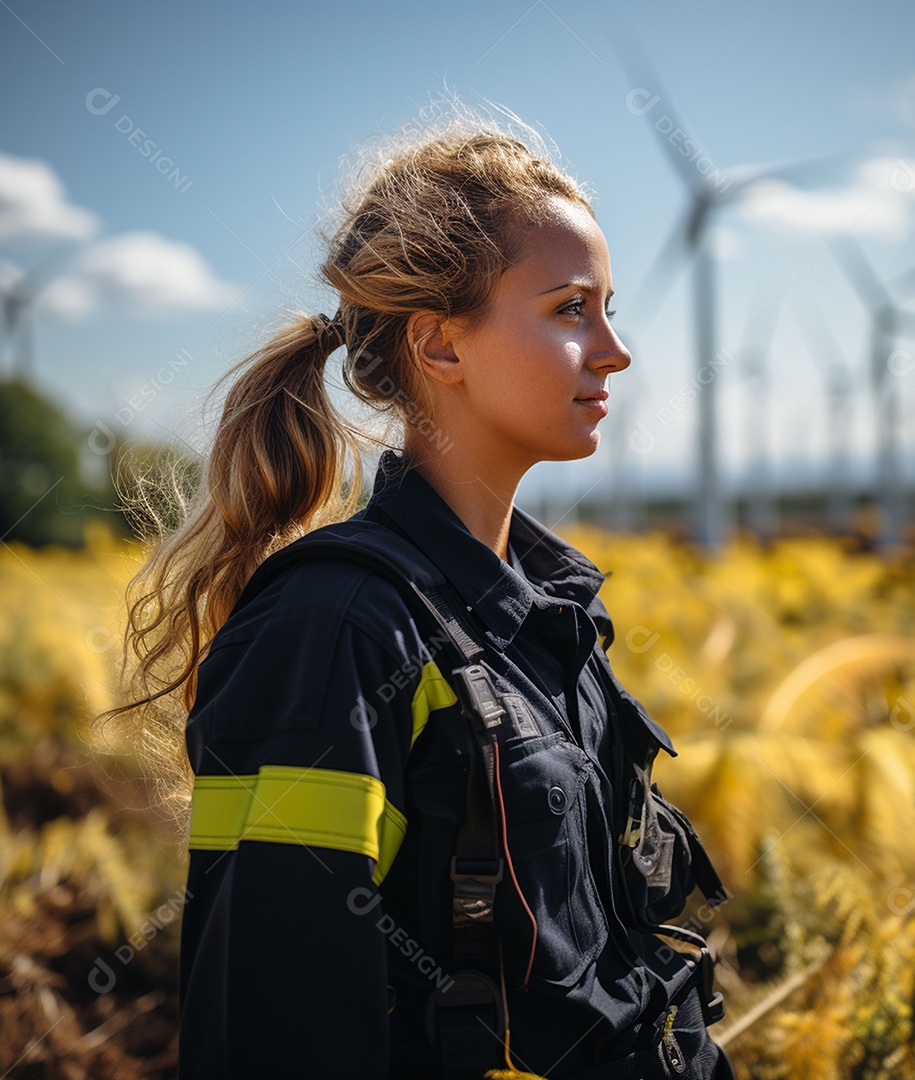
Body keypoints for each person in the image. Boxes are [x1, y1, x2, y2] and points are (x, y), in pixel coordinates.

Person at [105, 105, 736, 1079]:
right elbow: (275, 1037)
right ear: (440, 347)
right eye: (572, 308)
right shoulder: (331, 632)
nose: (614, 349)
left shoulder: (549, 611)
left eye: (609, 307)